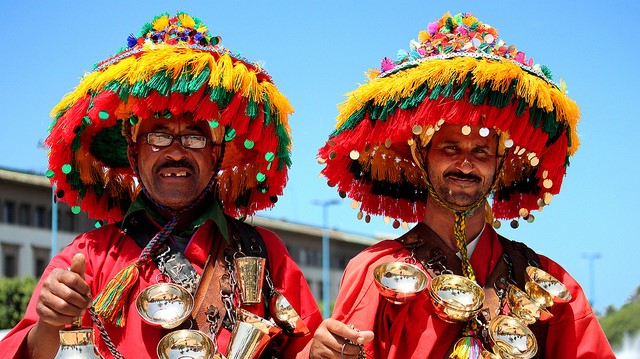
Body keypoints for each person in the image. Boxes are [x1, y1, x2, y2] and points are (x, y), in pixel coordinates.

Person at [1, 12, 322, 359]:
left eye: (194, 138)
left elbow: (305, 348)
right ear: (133, 150)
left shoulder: (264, 252)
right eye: (158, 136)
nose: (176, 151)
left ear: (217, 154)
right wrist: (49, 323)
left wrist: (325, 348)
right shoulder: (89, 255)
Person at [303, 12, 615, 359]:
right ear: (422, 157)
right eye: (450, 148)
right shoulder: (374, 272)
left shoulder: (549, 282)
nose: (466, 163)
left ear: (500, 164)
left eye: (481, 151)